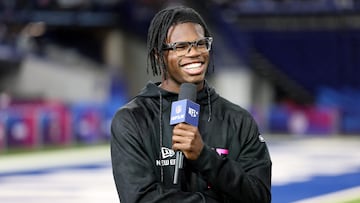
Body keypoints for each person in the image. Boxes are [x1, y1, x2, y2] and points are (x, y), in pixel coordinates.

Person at [110, 6, 272, 203]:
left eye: (201, 43)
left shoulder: (238, 120)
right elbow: (140, 198)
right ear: (157, 56)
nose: (194, 52)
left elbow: (259, 196)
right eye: (180, 46)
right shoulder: (132, 119)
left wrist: (204, 157)